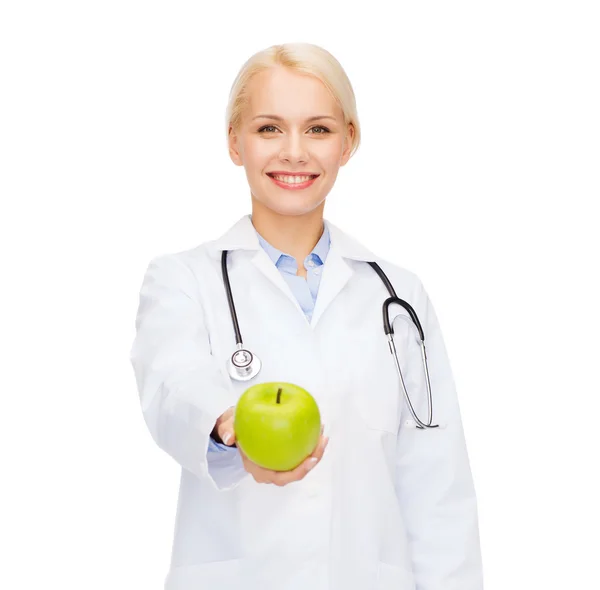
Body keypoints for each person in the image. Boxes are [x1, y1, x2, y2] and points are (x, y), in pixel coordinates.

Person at [130, 42, 484, 590]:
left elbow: (436, 485)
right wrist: (228, 428)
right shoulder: (183, 279)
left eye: (318, 129)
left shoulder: (399, 297)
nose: (294, 152)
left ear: (349, 141)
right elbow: (172, 387)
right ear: (234, 142)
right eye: (269, 128)